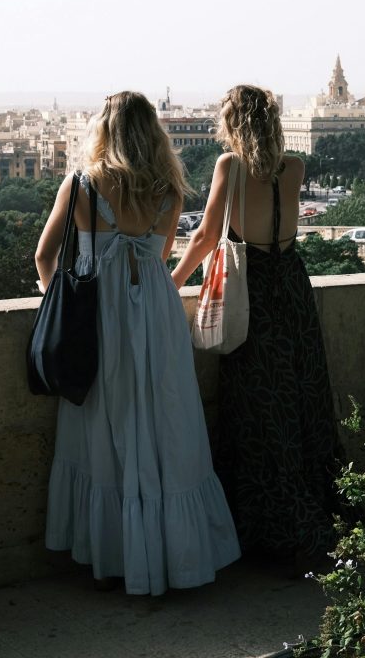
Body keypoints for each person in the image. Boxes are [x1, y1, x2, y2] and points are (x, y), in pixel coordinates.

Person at [35, 91, 240, 596]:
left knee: (104, 431)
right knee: (167, 424)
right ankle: (176, 556)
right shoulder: (169, 188)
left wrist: (65, 304)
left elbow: (44, 257)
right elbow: (162, 253)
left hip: (99, 315)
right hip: (156, 312)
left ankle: (114, 557)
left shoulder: (82, 184)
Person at [171, 85, 339, 570]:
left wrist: (173, 280)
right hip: (292, 285)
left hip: (255, 293)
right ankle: (312, 515)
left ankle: (264, 528)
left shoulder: (230, 167)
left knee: (257, 407)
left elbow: (205, 235)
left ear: (234, 123)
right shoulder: (295, 167)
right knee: (301, 398)